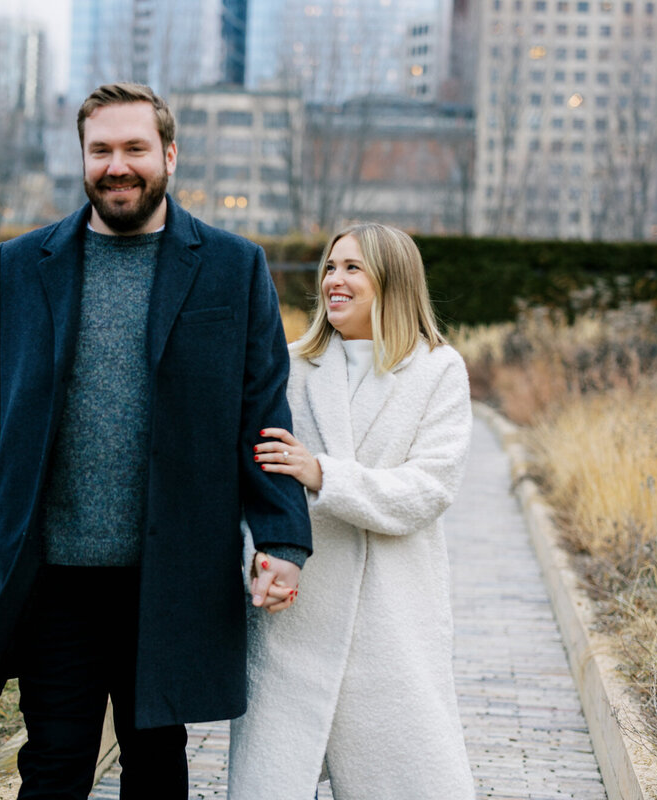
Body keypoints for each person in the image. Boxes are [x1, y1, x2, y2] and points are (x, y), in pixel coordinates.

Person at [0, 83, 312, 800]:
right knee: (52, 766)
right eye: (101, 150)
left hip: (172, 574)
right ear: (82, 159)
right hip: (53, 576)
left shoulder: (233, 267)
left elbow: (261, 417)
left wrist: (282, 541)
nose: (118, 166)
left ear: (168, 155)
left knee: (156, 767)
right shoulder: (23, 265)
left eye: (135, 148)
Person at [228, 222, 475, 800]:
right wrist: (259, 561)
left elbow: (430, 487)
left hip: (392, 622)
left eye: (353, 268)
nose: (334, 280)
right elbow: (250, 484)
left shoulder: (438, 370)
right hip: (296, 615)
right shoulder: (287, 366)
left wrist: (324, 474)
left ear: (393, 280)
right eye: (330, 267)